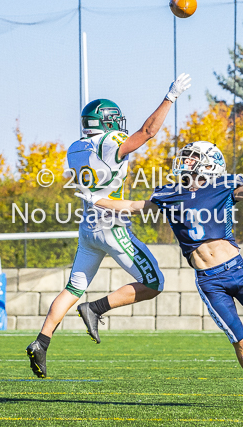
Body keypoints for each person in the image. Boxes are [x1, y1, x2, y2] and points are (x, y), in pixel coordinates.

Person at [77, 132, 243, 410]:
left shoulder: (224, 186)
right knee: (237, 342)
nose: (185, 161)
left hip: (239, 271)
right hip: (210, 280)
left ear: (209, 163)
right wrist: (95, 199)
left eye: (192, 157)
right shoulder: (169, 192)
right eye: (186, 156)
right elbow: (132, 206)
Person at [26, 73, 192, 378]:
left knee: (73, 287)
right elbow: (147, 131)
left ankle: (41, 341)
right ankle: (97, 309)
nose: (118, 125)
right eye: (114, 120)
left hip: (87, 227)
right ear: (105, 121)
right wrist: (170, 97)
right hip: (113, 226)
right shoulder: (110, 143)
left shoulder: (75, 149)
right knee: (154, 282)